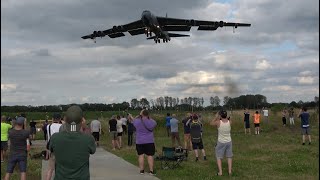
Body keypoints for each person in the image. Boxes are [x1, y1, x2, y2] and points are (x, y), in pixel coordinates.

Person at [49, 105, 96, 180]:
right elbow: (92, 150)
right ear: (82, 120)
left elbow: (51, 149)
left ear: (64, 119)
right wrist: (84, 127)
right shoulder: (88, 139)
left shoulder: (55, 138)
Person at [133, 109, 157, 175]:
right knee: (150, 155)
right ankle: (151, 171)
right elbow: (155, 123)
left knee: (141, 155)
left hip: (139, 141)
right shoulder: (152, 122)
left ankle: (141, 170)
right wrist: (149, 118)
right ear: (148, 114)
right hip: (149, 141)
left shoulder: (137, 121)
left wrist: (137, 117)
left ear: (141, 114)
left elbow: (133, 121)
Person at [210, 110, 233, 176]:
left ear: (220, 116)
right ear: (226, 115)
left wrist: (216, 116)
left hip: (221, 142)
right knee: (229, 156)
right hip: (229, 141)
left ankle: (220, 172)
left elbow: (211, 123)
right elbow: (229, 118)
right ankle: (229, 171)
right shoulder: (230, 122)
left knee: (218, 156)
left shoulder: (218, 122)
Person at [45, 113, 62, 180]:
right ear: (60, 119)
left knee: (50, 169)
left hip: (51, 149)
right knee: (60, 169)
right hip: (61, 149)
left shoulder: (48, 126)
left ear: (52, 119)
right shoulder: (62, 126)